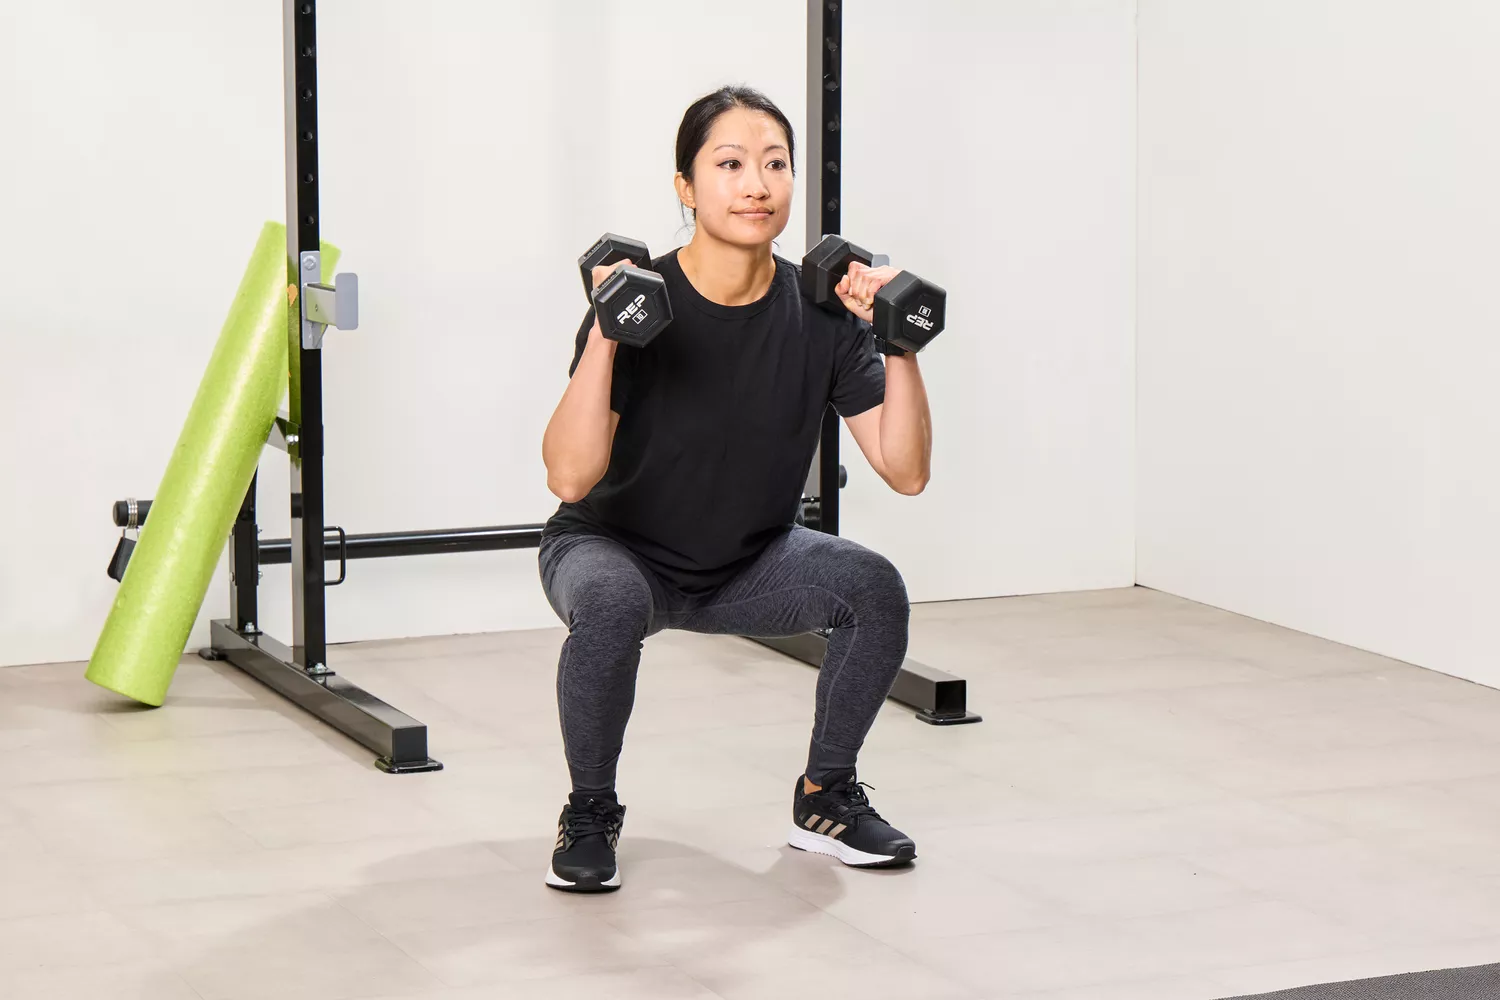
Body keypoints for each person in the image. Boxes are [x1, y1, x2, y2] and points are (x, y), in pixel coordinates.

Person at [538, 85, 933, 893]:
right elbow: (569, 475)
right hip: (612, 549)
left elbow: (906, 470)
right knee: (610, 604)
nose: (756, 183)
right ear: (686, 186)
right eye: (729, 164)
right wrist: (608, 336)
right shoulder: (641, 301)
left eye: (774, 164)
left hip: (748, 563)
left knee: (873, 589)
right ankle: (590, 808)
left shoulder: (822, 318)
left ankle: (826, 799)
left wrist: (897, 344)